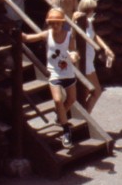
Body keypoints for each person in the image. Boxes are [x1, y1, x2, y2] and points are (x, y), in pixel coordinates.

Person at [23, 8, 80, 148]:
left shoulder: (68, 36)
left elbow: (74, 51)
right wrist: (18, 33)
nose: (55, 26)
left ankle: (60, 117)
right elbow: (28, 38)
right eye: (52, 23)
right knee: (57, 99)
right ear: (49, 23)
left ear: (62, 23)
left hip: (68, 72)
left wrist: (74, 56)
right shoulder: (47, 34)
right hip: (54, 73)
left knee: (71, 99)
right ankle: (66, 131)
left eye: (57, 23)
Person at [72, 0, 115, 112]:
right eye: (92, 10)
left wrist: (106, 48)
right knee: (96, 91)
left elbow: (94, 36)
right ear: (87, 10)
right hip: (83, 62)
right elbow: (70, 37)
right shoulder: (77, 23)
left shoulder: (89, 22)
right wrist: (72, 21)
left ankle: (81, 115)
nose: (94, 12)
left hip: (89, 61)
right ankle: (85, 117)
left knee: (85, 92)